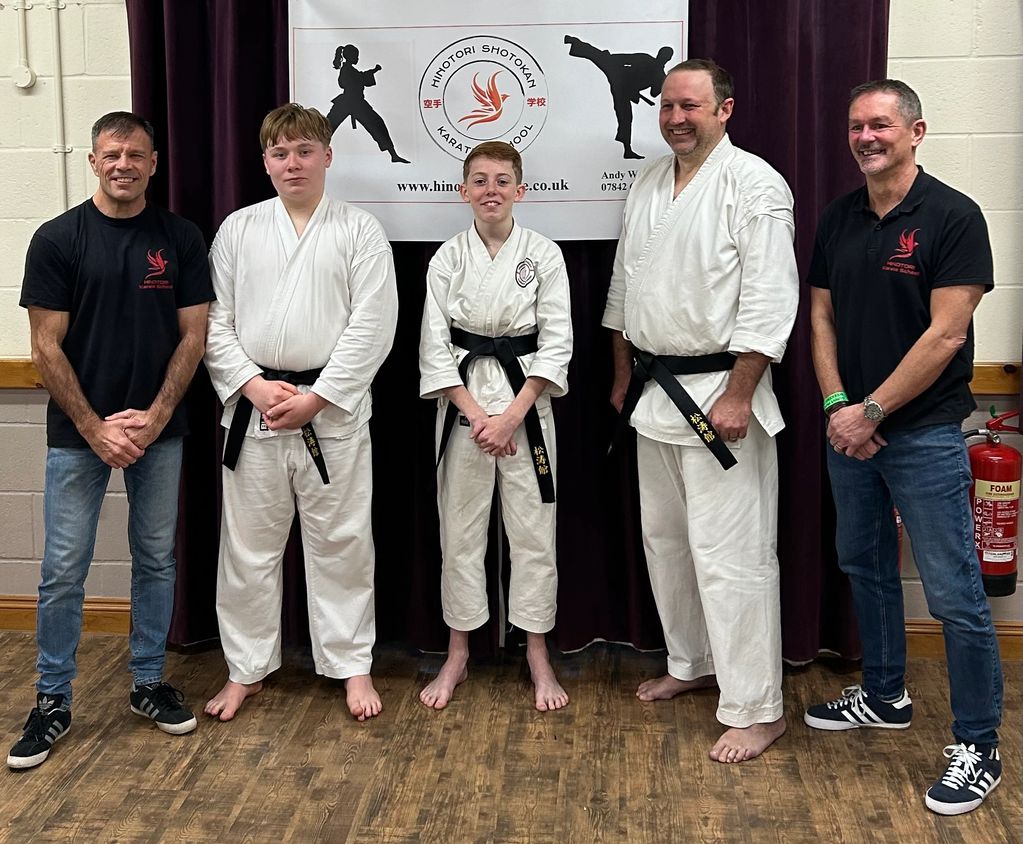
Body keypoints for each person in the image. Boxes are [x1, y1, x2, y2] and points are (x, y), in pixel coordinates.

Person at [805, 79, 1003, 816]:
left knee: (953, 595)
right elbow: (819, 317)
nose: (866, 137)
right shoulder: (838, 217)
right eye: (856, 125)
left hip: (921, 434)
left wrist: (872, 410)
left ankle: (978, 745)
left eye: (881, 125)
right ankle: (885, 695)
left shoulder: (954, 216)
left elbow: (946, 335)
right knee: (864, 565)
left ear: (915, 132)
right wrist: (838, 407)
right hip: (849, 433)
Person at [602, 59, 798, 762]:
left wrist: (740, 392)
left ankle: (757, 707)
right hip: (653, 393)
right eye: (666, 106)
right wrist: (622, 374)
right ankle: (692, 662)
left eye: (690, 106)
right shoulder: (650, 181)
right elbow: (624, 285)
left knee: (733, 558)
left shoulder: (755, 184)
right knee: (667, 544)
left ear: (724, 109)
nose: (675, 118)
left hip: (720, 395)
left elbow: (770, 298)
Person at [9, 112, 213, 770]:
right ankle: (52, 699)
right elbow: (45, 347)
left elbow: (193, 336)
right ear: (94, 161)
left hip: (161, 430)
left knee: (155, 560)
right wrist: (95, 427)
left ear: (153, 163)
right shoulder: (57, 239)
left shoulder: (179, 238)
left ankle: (148, 683)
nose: (123, 164)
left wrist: (155, 417)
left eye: (136, 154)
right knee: (63, 570)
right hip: (78, 434)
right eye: (112, 154)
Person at [203, 103, 398, 722]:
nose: (293, 163)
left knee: (342, 544)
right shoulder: (237, 229)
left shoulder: (360, 230)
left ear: (327, 156)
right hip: (254, 408)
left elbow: (373, 324)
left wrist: (318, 397)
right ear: (265, 162)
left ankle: (351, 664)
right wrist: (253, 386)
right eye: (280, 153)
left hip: (332, 412)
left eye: (304, 151)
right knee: (248, 549)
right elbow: (214, 322)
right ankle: (246, 669)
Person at [418, 141, 573, 712]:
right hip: (464, 409)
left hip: (525, 408)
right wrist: (478, 415)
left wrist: (511, 416)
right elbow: (433, 346)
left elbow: (557, 343)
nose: (491, 190)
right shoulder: (447, 258)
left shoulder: (545, 254)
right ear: (464, 191)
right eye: (480, 180)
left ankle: (537, 653)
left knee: (533, 534)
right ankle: (457, 652)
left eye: (502, 181)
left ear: (520, 190)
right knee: (459, 534)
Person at [564, 35, 674, 159]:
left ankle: (627, 150)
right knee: (600, 56)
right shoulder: (646, 59)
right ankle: (574, 42)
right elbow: (625, 58)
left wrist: (664, 83)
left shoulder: (660, 76)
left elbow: (654, 93)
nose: (662, 58)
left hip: (624, 92)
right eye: (662, 55)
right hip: (617, 74)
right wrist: (612, 61)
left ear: (668, 59)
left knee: (626, 118)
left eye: (665, 57)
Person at [326, 44, 410, 164]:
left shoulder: (350, 70)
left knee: (377, 124)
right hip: (350, 102)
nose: (357, 58)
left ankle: (393, 155)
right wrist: (372, 71)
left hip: (356, 102)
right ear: (350, 56)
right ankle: (317, 151)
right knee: (326, 128)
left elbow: (361, 77)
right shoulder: (346, 70)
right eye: (356, 56)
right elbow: (354, 80)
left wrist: (373, 71)